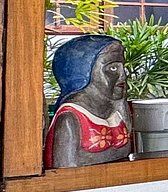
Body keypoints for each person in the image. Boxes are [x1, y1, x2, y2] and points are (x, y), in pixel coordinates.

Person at [45, 33, 132, 168]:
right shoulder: (70, 118)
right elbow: (66, 166)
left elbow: (126, 151)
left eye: (123, 68)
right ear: (83, 71)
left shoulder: (117, 110)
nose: (123, 76)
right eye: (113, 68)